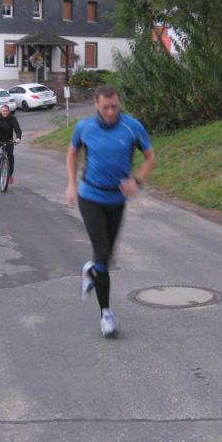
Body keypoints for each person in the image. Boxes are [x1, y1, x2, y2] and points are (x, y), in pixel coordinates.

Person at [66, 85, 156, 338]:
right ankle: (106, 314)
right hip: (90, 197)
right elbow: (72, 153)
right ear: (97, 105)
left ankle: (91, 270)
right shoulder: (84, 127)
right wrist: (72, 184)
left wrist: (136, 181)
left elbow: (150, 158)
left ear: (119, 104)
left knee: (106, 257)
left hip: (116, 200)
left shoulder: (132, 127)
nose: (110, 112)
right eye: (105, 107)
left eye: (114, 107)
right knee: (103, 252)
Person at [0, 104, 22, 184]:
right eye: (3, 111)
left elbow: (18, 130)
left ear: (9, 111)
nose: (5, 112)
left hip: (8, 139)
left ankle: (10, 175)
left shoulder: (13, 118)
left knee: (10, 156)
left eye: (6, 111)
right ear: (1, 111)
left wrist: (18, 138)